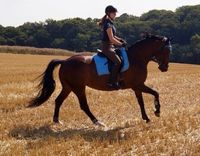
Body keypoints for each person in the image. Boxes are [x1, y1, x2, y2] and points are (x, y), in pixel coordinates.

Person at [98, 5, 127, 89]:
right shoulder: (108, 24)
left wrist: (121, 40)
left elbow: (114, 36)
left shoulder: (110, 23)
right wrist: (120, 44)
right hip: (107, 47)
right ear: (108, 13)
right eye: (113, 13)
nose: (115, 14)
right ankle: (111, 82)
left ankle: (119, 78)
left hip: (111, 46)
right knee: (118, 62)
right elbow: (111, 38)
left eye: (115, 13)